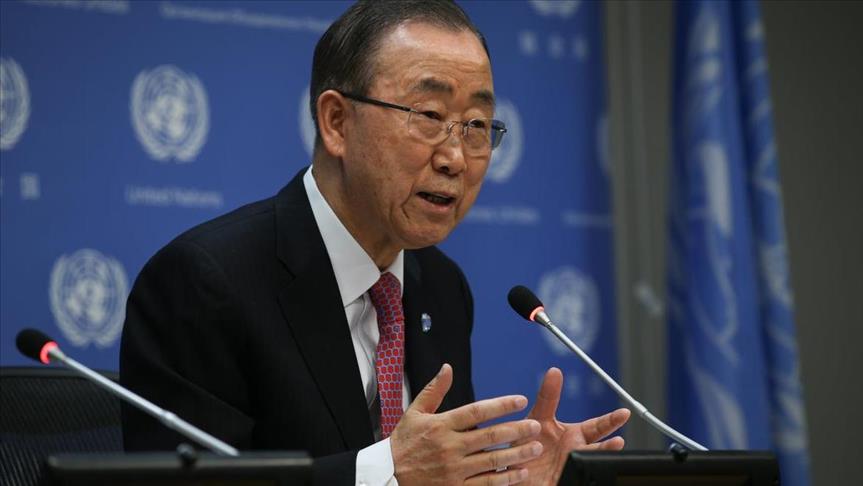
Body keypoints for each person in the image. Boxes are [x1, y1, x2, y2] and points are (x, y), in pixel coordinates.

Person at [120, 1, 630, 485]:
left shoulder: (442, 287)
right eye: (429, 116)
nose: (455, 157)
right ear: (337, 123)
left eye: (476, 125)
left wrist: (505, 479)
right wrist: (386, 473)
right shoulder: (204, 284)